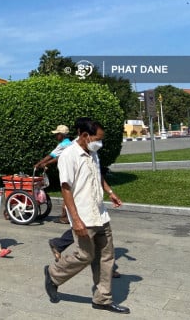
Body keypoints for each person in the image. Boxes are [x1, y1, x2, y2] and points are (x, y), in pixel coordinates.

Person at [44, 120, 130, 314]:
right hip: (83, 216)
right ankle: (53, 274)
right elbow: (66, 189)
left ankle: (102, 299)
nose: (99, 143)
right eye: (97, 139)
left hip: (100, 214)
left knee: (106, 256)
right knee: (85, 255)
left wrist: (110, 191)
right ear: (84, 136)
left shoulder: (93, 153)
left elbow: (97, 174)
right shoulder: (69, 156)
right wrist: (76, 220)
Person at [34, 125, 72, 224]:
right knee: (70, 193)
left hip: (66, 173)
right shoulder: (71, 144)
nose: (56, 137)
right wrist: (47, 163)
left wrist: (39, 164)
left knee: (66, 193)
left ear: (62, 135)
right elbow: (58, 157)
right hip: (72, 172)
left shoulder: (62, 145)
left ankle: (65, 216)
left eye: (57, 134)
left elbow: (51, 155)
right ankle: (66, 215)